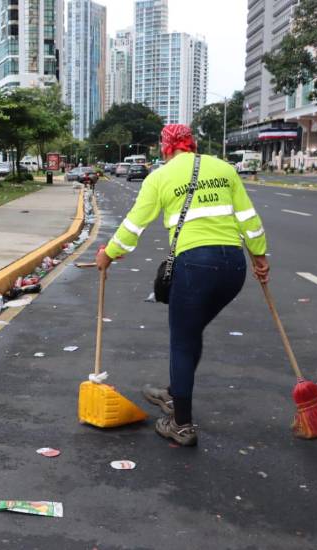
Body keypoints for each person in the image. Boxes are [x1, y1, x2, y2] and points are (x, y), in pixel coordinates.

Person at [95, 124, 270, 446]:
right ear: (192, 144)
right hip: (233, 267)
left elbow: (135, 224)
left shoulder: (159, 177)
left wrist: (109, 253)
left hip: (195, 266)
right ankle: (175, 391)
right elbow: (249, 219)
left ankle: (181, 423)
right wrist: (259, 256)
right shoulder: (223, 168)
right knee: (191, 332)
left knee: (183, 340)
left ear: (165, 147)